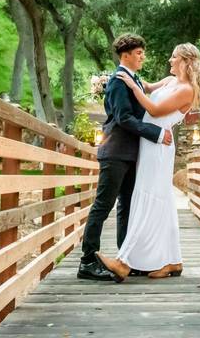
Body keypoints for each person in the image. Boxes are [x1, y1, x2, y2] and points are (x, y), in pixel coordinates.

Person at [98, 43, 200, 280]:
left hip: (159, 146)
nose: (170, 60)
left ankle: (123, 261)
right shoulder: (170, 81)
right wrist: (122, 76)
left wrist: (133, 90)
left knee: (147, 197)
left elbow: (155, 110)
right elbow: (145, 85)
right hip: (149, 142)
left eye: (174, 57)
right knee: (160, 199)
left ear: (186, 62)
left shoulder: (187, 90)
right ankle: (173, 260)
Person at [77, 34, 174, 281]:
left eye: (143, 52)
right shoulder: (120, 81)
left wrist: (172, 80)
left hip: (131, 154)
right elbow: (123, 118)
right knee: (103, 206)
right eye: (139, 53)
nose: (143, 56)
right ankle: (87, 261)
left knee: (127, 208)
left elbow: (148, 90)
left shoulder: (134, 79)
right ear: (126, 55)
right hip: (116, 152)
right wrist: (156, 133)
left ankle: (125, 260)